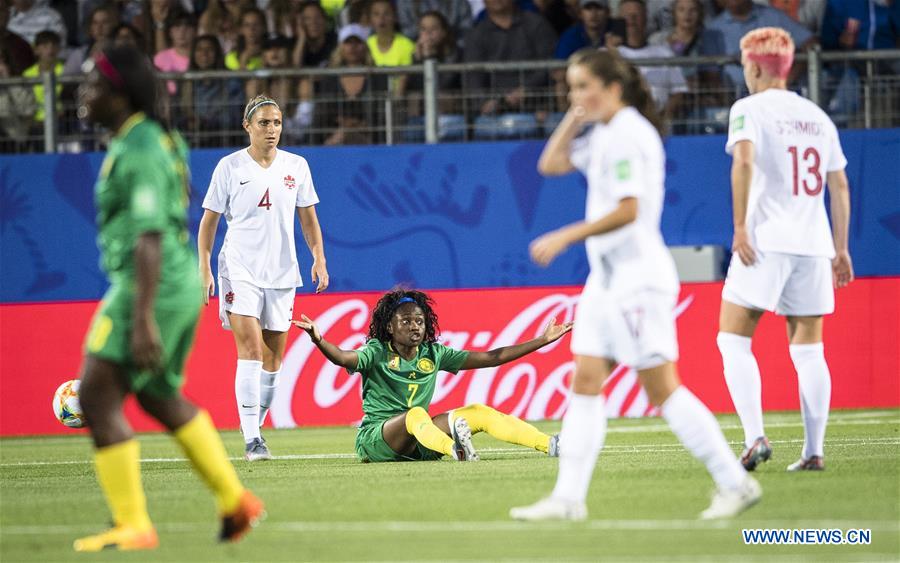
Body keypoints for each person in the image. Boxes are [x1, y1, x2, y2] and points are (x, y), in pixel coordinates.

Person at [509, 48, 759, 522]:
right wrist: (574, 116)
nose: (576, 96)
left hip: (638, 280)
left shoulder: (628, 135)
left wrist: (566, 234)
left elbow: (629, 210)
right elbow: (551, 164)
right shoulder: (602, 133)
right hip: (605, 283)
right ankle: (568, 499)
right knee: (585, 382)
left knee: (662, 389)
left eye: (584, 86)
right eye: (571, 87)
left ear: (614, 88)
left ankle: (735, 481)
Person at [73, 44, 264, 552]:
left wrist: (141, 320)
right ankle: (234, 500)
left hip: (147, 287)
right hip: (172, 283)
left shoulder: (139, 148)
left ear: (119, 93)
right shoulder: (154, 138)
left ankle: (133, 524)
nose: (83, 90)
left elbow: (150, 235)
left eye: (93, 82)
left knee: (95, 395)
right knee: (159, 396)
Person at [716, 27, 853, 473]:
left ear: (754, 67)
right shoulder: (817, 116)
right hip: (813, 245)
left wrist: (740, 226)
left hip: (765, 240)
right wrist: (841, 248)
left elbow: (744, 160)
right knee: (810, 351)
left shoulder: (749, 109)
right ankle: (814, 452)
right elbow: (840, 184)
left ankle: (755, 436)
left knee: (732, 340)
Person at [198, 94, 329, 461]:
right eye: (263, 123)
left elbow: (308, 219)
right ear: (247, 127)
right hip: (239, 268)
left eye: (276, 123)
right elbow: (209, 221)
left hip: (282, 271)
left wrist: (318, 258)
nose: (271, 130)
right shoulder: (230, 167)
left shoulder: (297, 166)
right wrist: (204, 266)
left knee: (273, 361)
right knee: (251, 350)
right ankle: (253, 439)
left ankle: (252, 420)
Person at [293, 289, 571, 462]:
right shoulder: (376, 351)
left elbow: (491, 358)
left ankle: (550, 445)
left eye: (419, 321)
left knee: (479, 412)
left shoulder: (433, 353)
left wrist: (542, 340)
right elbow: (343, 357)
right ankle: (455, 450)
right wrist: (319, 339)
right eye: (406, 321)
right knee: (416, 414)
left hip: (420, 441)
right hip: (378, 440)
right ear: (390, 327)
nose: (415, 327)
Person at [178, 34, 244, 146]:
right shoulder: (186, 82)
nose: (204, 54)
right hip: (193, 141)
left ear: (217, 54)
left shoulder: (232, 81)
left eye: (209, 49)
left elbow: (235, 116)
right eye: (199, 49)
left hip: (225, 140)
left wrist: (205, 123)